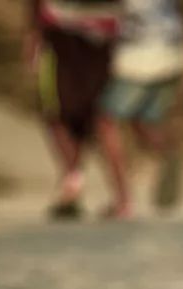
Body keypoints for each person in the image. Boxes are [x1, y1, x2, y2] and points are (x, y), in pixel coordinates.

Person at [26, 0, 119, 218]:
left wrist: (33, 32)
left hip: (84, 33)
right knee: (70, 113)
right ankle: (76, 182)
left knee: (68, 114)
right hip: (86, 32)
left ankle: (76, 182)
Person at [96, 0, 183, 218]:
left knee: (106, 121)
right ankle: (169, 153)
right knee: (144, 120)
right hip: (173, 52)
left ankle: (122, 201)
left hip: (140, 56)